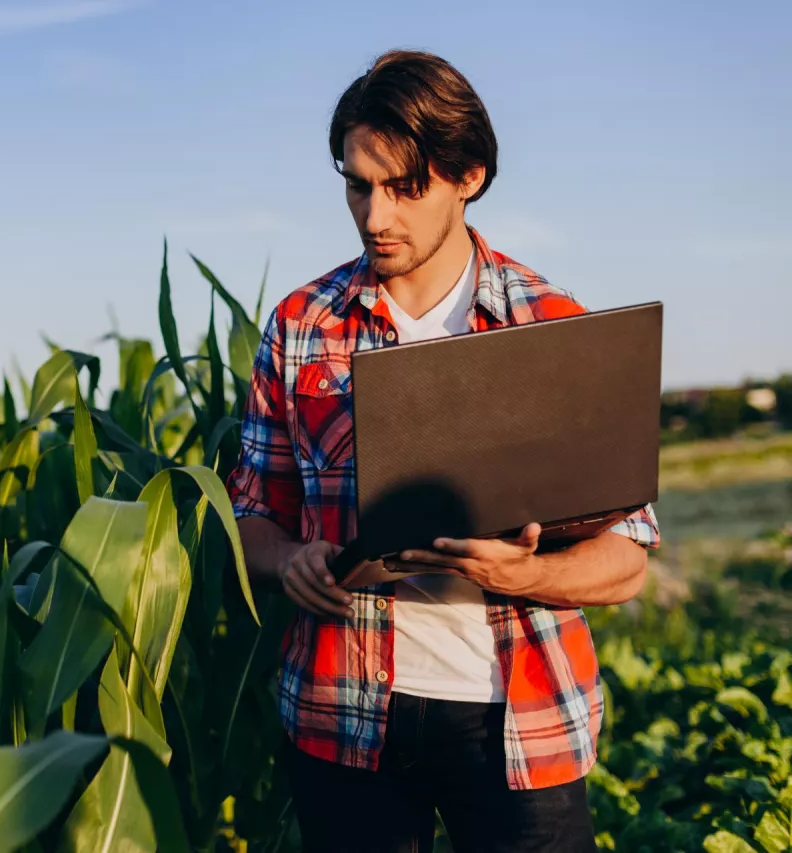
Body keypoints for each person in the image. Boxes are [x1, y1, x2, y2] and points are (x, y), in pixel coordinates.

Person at [226, 49, 660, 853]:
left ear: (470, 176)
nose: (374, 215)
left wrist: (525, 574)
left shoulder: (552, 324)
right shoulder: (299, 325)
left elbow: (629, 556)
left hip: (520, 727)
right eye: (358, 184)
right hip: (341, 714)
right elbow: (251, 513)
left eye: (404, 187)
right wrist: (289, 562)